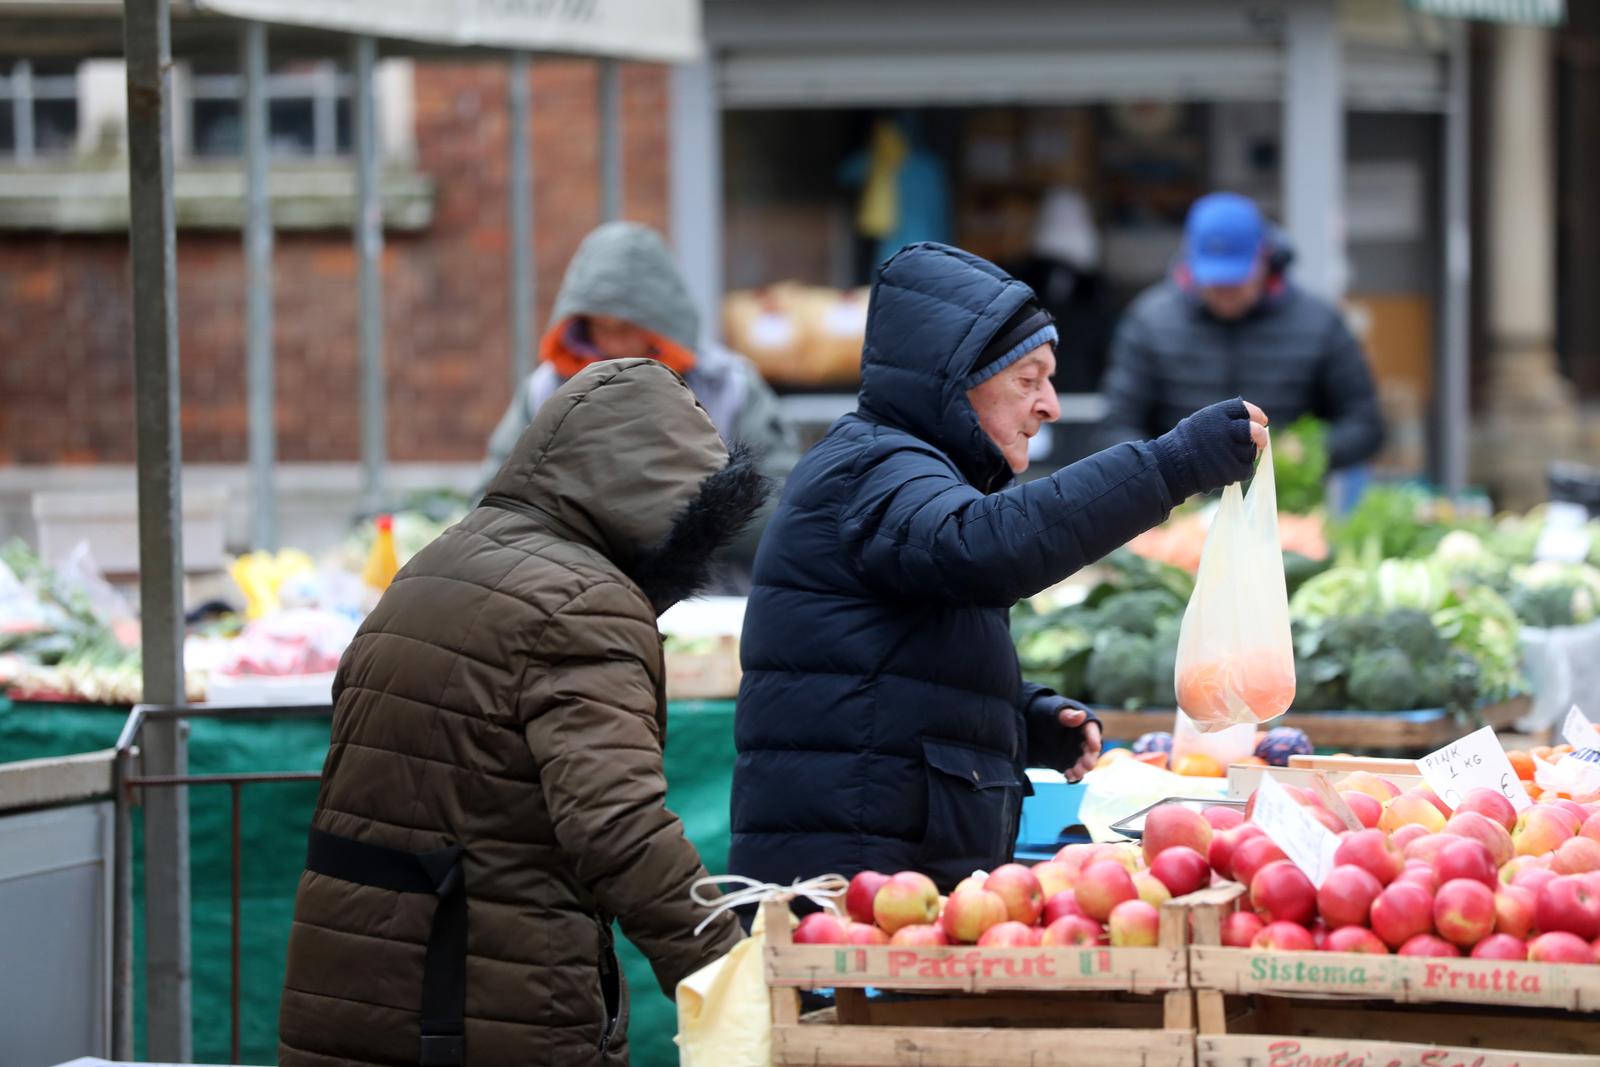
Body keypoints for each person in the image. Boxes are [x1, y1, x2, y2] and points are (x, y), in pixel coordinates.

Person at [729, 242, 1267, 892]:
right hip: (843, 900)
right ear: (956, 379)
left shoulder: (906, 471)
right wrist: (1171, 464)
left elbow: (885, 663)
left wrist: (1015, 719)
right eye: (1027, 378)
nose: (1051, 405)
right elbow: (981, 548)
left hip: (886, 885)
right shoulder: (871, 469)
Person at [280, 359, 768, 1066]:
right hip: (474, 1007)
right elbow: (619, 828)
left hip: (356, 991)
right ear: (662, 513)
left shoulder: (433, 565)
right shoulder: (583, 602)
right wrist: (731, 982)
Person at [475, 221, 799, 589]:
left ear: (663, 322)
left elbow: (783, 513)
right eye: (601, 326)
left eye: (628, 327)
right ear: (581, 325)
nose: (614, 343)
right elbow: (489, 507)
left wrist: (670, 514)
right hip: (571, 605)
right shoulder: (544, 390)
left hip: (710, 609)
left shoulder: (729, 386)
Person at [1098, 191, 1384, 471]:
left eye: (1236, 280)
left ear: (1264, 258)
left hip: (1287, 505)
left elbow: (1365, 424)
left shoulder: (1319, 323)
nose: (1224, 293)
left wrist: (1306, 452)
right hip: (1179, 506)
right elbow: (1116, 427)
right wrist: (1168, 468)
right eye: (1213, 281)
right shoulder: (1150, 322)